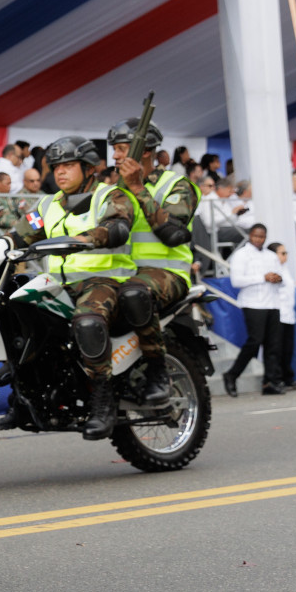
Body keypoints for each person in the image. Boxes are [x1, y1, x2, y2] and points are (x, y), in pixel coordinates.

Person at [9, 136, 139, 435]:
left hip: (104, 281)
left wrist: (87, 238)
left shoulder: (110, 195)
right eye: (56, 167)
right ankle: (25, 398)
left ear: (89, 167)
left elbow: (117, 226)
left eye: (68, 165)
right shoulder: (48, 204)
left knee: (87, 320)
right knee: (19, 317)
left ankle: (103, 398)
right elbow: (19, 234)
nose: (60, 172)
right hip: (59, 284)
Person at [106, 117, 199, 403]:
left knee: (134, 293)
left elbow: (172, 234)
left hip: (165, 274)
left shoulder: (178, 185)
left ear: (145, 150)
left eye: (121, 149)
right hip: (121, 273)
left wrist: (137, 188)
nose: (115, 155)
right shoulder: (112, 187)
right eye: (114, 149)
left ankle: (158, 371)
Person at [226, 224, 285, 394]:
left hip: (272, 302)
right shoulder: (241, 255)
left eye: (262, 237)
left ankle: (270, 382)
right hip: (253, 303)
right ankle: (232, 374)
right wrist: (262, 277)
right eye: (255, 236)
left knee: (273, 345)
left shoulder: (271, 256)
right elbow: (236, 281)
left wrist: (278, 278)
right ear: (250, 235)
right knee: (255, 341)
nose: (258, 240)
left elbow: (281, 278)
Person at [268, 241, 296, 385]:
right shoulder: (270, 270)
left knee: (288, 348)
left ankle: (287, 377)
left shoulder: (285, 269)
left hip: (289, 314)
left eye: (286, 253)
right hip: (277, 313)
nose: (285, 256)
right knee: (277, 348)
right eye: (282, 253)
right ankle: (276, 377)